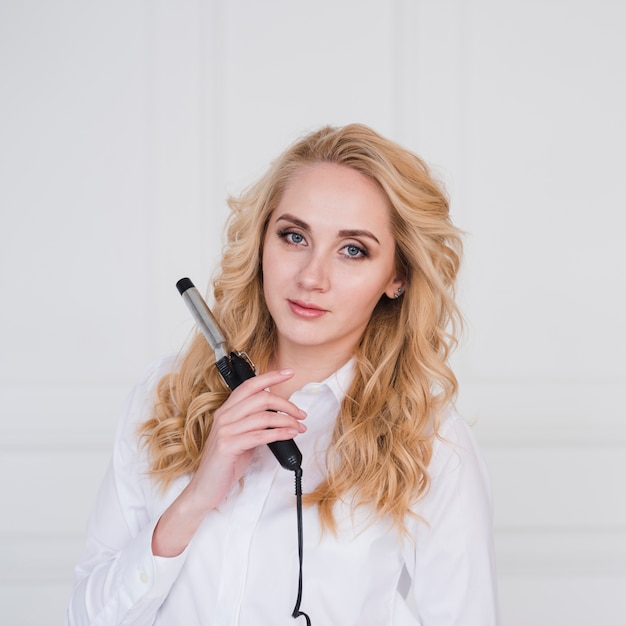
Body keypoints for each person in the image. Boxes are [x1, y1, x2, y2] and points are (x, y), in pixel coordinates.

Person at [66, 123, 499, 625]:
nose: (311, 277)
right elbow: (85, 617)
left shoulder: (431, 445)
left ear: (397, 277)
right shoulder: (164, 395)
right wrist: (196, 499)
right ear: (261, 242)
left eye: (353, 249)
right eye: (294, 236)